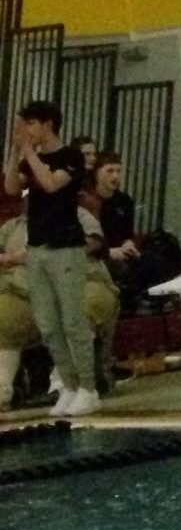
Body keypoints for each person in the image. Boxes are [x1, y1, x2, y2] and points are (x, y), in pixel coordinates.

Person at [2, 101, 100, 416]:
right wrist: (15, 152)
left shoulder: (70, 157)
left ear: (47, 125)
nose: (27, 131)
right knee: (47, 324)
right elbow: (11, 188)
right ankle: (69, 385)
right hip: (38, 249)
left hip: (66, 248)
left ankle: (88, 386)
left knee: (72, 320)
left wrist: (30, 154)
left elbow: (51, 184)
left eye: (31, 124)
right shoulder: (31, 159)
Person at [0, 207, 120, 409]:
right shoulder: (12, 227)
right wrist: (8, 259)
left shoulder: (76, 214)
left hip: (83, 283)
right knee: (5, 316)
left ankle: (69, 385)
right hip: (27, 291)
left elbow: (94, 242)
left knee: (77, 310)